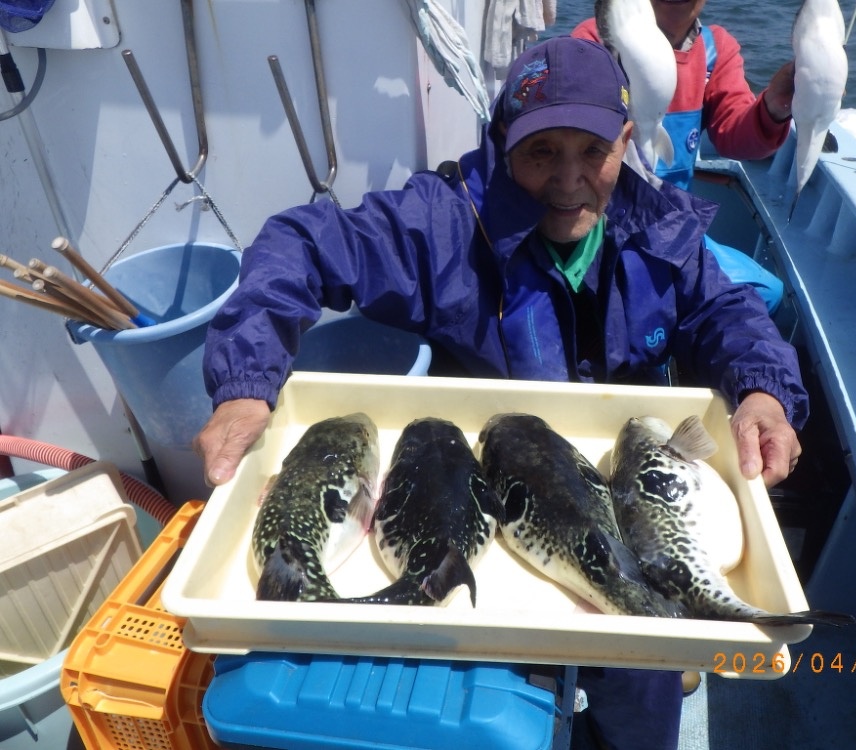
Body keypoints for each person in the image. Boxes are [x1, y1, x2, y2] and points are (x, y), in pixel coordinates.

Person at [194, 36, 807, 750]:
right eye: (542, 152)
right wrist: (246, 384)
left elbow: (728, 314)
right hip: (480, 491)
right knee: (482, 699)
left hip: (618, 500)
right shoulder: (442, 224)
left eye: (593, 151)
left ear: (626, 140)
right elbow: (300, 243)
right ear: (502, 141)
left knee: (644, 685)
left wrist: (763, 392)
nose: (569, 179)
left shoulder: (660, 227)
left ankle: (652, 677)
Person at [574, 0, 796, 313]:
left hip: (678, 227)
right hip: (602, 228)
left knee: (766, 293)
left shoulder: (715, 49)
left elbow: (735, 136)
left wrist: (774, 107)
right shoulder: (596, 40)